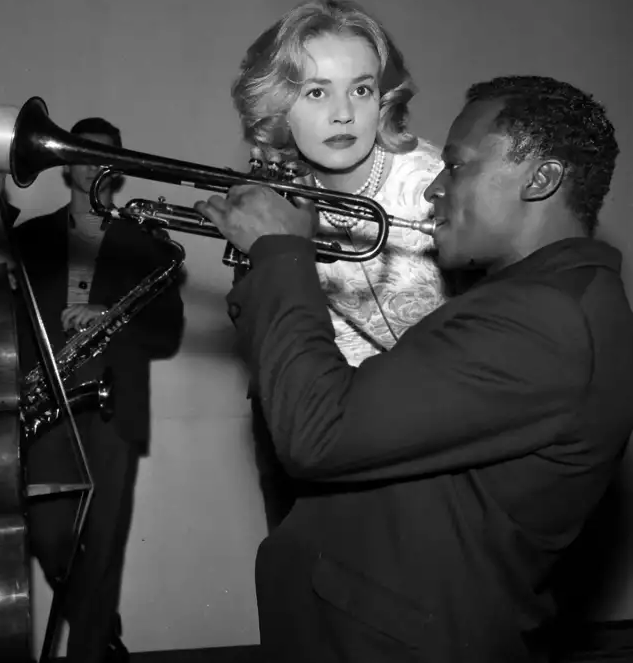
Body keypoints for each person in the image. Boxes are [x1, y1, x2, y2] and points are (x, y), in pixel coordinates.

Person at [195, 75, 633, 662]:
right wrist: (262, 265)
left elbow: (317, 433)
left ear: (542, 178)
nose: (434, 189)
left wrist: (281, 253)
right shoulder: (534, 299)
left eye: (457, 167)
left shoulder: (543, 317)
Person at [0, 117, 184, 663]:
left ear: (121, 169)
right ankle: (100, 628)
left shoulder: (149, 243)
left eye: (107, 156)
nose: (95, 164)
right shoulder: (32, 236)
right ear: (65, 165)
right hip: (48, 405)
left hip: (116, 409)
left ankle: (89, 651)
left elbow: (168, 334)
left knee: (105, 543)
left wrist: (110, 317)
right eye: (82, 154)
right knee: (48, 536)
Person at [230, 0, 450, 529]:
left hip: (430, 436)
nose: (343, 113)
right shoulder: (272, 193)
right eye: (315, 91)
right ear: (278, 106)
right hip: (317, 431)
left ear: (384, 97)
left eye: (361, 88)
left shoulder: (436, 186)